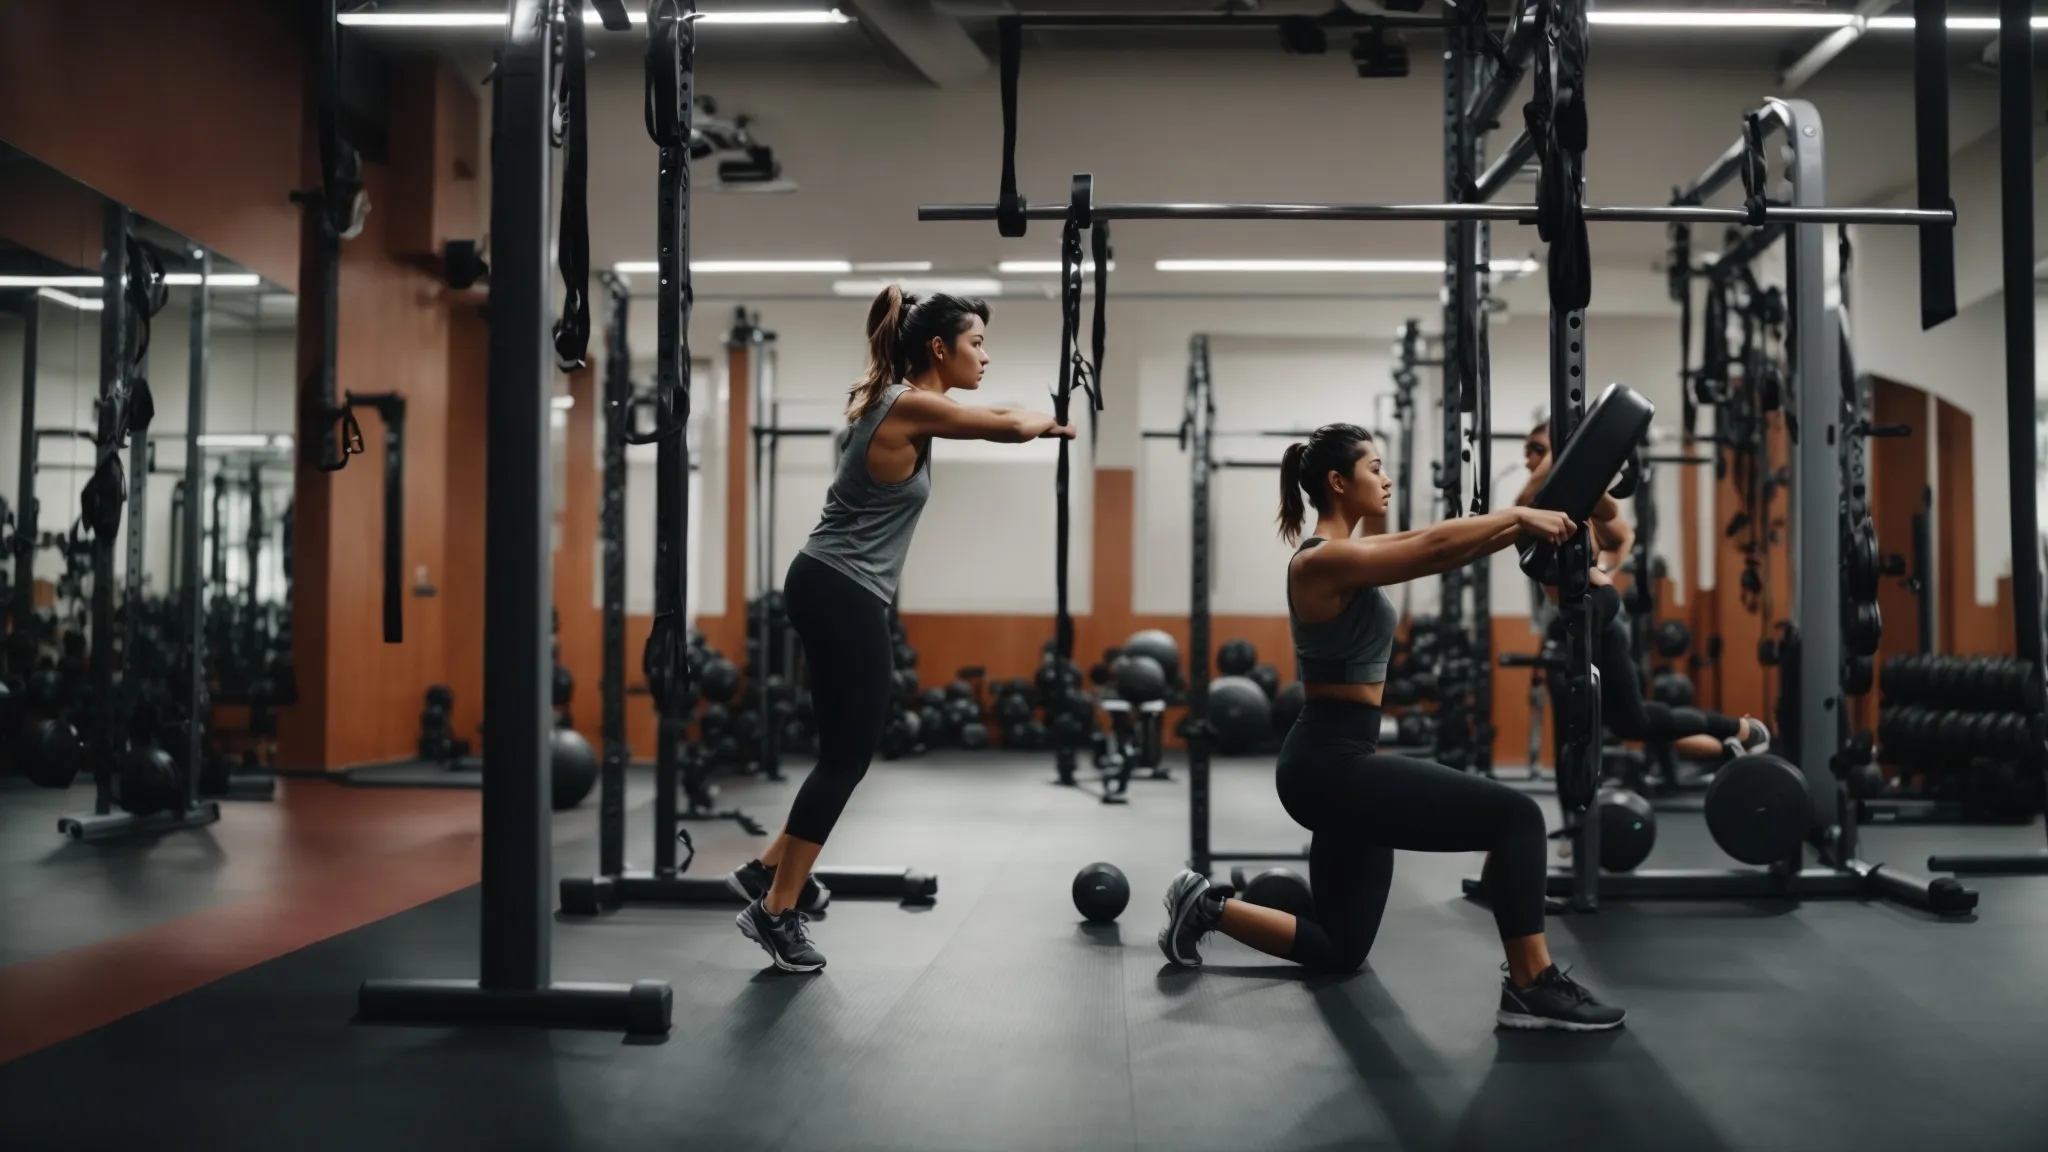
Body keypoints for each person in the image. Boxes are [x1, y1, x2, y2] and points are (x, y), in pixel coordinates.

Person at [1158, 424, 1627, 1032]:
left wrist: (1524, 523)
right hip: (1328, 766)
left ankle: (1206, 905)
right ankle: (1531, 985)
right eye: (1374, 468)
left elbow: (1434, 546)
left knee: (1340, 949)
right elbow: (1433, 548)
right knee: (1518, 818)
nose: (1385, 478)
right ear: (1336, 481)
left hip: (1342, 763)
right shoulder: (1320, 563)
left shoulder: (1352, 555)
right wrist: (1519, 517)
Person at [729, 287, 1076, 972]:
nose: (986, 354)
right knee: (845, 759)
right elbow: (1003, 427)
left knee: (839, 753)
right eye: (976, 342)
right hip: (843, 591)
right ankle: (775, 912)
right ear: (940, 349)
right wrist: (1050, 425)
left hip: (828, 584)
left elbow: (997, 413)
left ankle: (767, 872)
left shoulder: (903, 400)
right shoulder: (909, 403)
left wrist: (1039, 414)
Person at [1516, 421, 1769, 762]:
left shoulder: (1579, 500)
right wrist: (1564, 451)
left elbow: (1622, 533)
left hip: (1596, 620)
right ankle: (1734, 739)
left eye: (1538, 450)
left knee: (1591, 725)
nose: (1530, 460)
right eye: (1528, 452)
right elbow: (1524, 501)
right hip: (1568, 626)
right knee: (1633, 723)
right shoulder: (1534, 504)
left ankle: (1737, 731)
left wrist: (1606, 567)